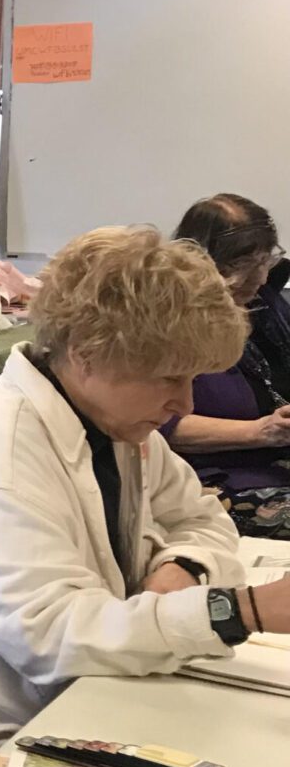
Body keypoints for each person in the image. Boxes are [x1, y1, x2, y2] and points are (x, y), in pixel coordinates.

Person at [0, 226, 290, 767]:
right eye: (171, 377)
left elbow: (205, 517)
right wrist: (237, 610)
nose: (186, 404)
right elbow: (52, 636)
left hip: (83, 692)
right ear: (89, 356)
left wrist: (187, 569)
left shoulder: (114, 421)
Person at [161, 195, 290, 535]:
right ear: (203, 263)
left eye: (266, 260)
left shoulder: (264, 304)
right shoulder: (168, 325)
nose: (259, 277)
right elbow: (156, 426)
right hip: (218, 478)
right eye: (243, 265)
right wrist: (262, 431)